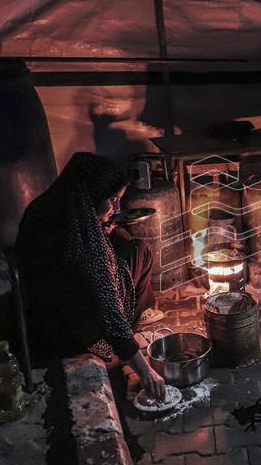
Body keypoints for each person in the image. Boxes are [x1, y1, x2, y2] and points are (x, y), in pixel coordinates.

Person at [16, 152, 166, 400]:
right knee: (139, 250)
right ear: (93, 193)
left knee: (126, 241)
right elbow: (103, 299)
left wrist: (103, 227)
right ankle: (124, 344)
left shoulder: (55, 204)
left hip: (45, 310)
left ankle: (126, 338)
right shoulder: (78, 239)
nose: (114, 208)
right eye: (111, 200)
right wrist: (145, 371)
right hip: (67, 328)